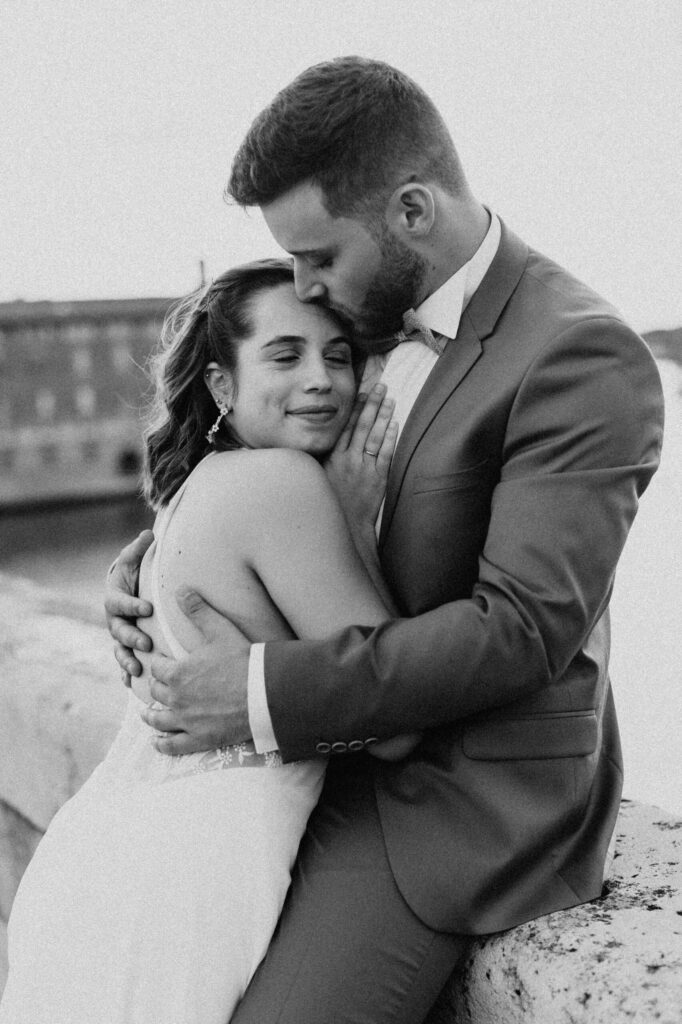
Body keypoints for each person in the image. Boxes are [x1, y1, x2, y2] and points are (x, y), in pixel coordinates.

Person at [106, 58, 665, 1023]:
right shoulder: (355, 324)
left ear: (411, 212)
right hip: (318, 764)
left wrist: (252, 691)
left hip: (452, 793)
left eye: (318, 255)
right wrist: (150, 574)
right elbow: (264, 477)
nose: (302, 283)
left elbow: (524, 629)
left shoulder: (578, 355)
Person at [0, 258, 414, 1024]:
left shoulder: (193, 491)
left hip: (101, 862)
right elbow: (396, 715)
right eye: (285, 355)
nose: (322, 379)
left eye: (338, 354)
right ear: (222, 385)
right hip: (200, 868)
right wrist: (354, 530)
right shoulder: (283, 483)